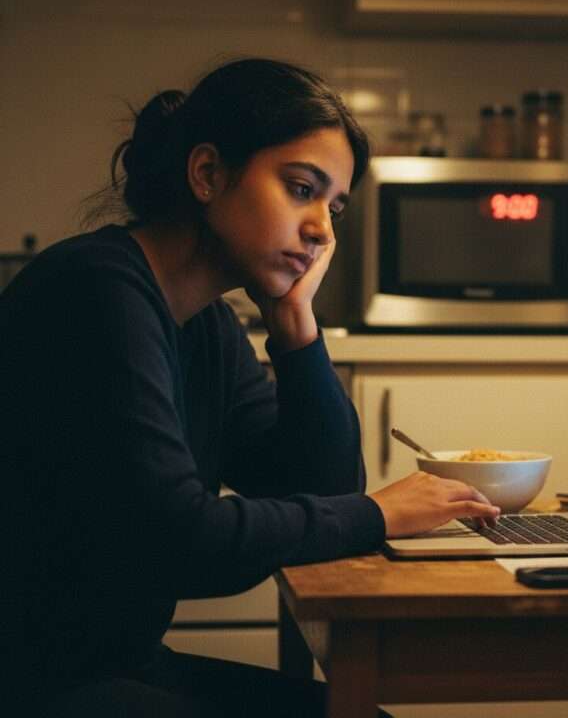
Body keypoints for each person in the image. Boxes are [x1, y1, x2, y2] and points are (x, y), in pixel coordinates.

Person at [0, 57, 500, 717]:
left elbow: (320, 490)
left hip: (110, 667)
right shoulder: (97, 291)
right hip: (41, 684)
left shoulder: (204, 320)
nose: (323, 229)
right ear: (208, 173)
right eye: (301, 188)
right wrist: (380, 513)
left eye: (335, 207)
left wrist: (296, 326)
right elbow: (183, 540)